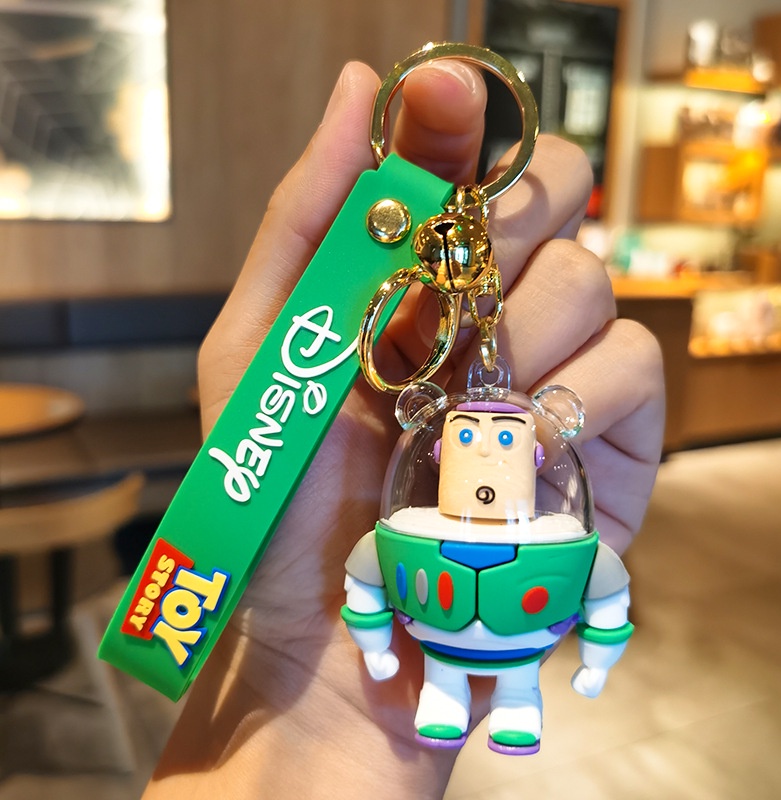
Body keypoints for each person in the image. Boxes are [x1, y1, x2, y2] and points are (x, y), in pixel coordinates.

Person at [143, 58, 665, 799]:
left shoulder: (551, 533)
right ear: (438, 440)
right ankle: (449, 698)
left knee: (513, 689)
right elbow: (364, 577)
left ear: (537, 446)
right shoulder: (409, 525)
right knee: (448, 682)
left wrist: (600, 646)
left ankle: (511, 705)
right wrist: (349, 656)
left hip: (500, 624)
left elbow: (601, 586)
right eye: (470, 441)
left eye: (506, 441)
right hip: (438, 631)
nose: (486, 454)